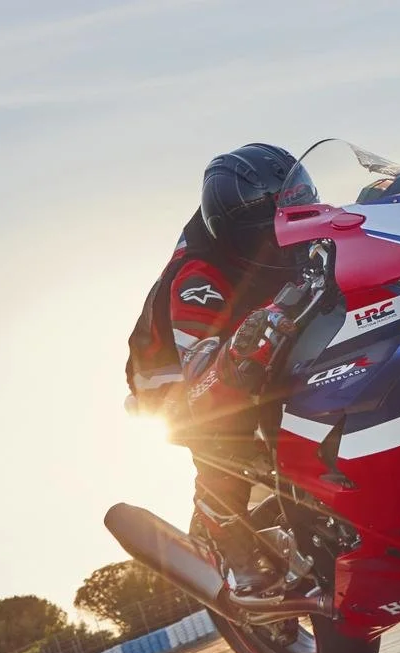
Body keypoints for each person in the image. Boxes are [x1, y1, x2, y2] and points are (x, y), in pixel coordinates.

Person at [124, 143, 312, 595]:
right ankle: (231, 545)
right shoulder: (198, 276)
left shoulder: (301, 228)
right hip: (173, 376)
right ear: (234, 226)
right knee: (225, 422)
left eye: (295, 204)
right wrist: (239, 352)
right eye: (268, 216)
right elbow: (204, 372)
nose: (283, 225)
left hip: (251, 329)